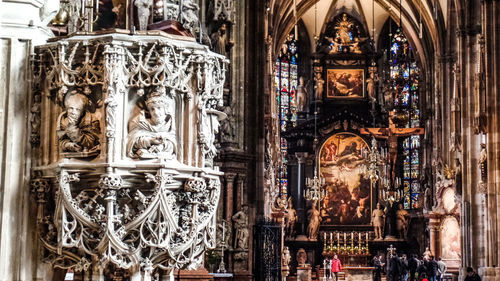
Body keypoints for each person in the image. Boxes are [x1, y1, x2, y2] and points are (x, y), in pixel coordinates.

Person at [127, 91, 177, 159]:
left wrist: (162, 146)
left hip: (164, 158)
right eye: (152, 109)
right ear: (149, 111)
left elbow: (173, 144)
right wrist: (150, 141)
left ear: (165, 110)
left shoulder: (169, 125)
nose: (156, 112)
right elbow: (132, 142)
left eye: (159, 108)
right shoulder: (140, 122)